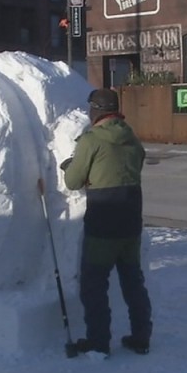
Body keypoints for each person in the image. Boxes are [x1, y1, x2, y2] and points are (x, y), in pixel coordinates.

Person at [61, 87, 152, 357]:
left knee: (94, 286)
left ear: (96, 111)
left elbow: (73, 181)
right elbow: (138, 163)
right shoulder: (132, 138)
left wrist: (70, 165)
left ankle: (98, 342)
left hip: (103, 222)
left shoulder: (91, 140)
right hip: (131, 221)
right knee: (133, 282)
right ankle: (141, 337)